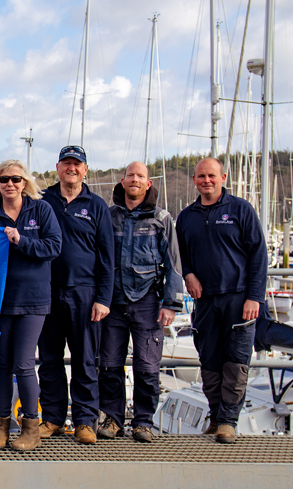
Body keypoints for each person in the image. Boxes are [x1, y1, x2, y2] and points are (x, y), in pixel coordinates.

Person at [176, 157, 266, 444]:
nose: (207, 181)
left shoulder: (241, 210)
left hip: (239, 299)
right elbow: (181, 256)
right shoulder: (187, 216)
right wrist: (188, 274)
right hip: (205, 301)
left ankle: (228, 421)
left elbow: (258, 256)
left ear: (223, 177)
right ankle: (215, 417)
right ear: (194, 180)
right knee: (209, 363)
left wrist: (254, 297)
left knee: (235, 363)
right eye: (201, 176)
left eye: (212, 176)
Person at [0, 160, 61, 452]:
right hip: (1, 302)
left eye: (16, 179)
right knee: (1, 366)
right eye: (4, 179)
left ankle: (31, 428)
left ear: (25, 182)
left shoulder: (41, 210)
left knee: (24, 364)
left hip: (33, 300)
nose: (10, 184)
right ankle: (1, 426)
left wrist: (21, 240)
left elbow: (54, 246)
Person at [97, 161, 182, 443]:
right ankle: (112, 418)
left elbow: (174, 265)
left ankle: (143, 422)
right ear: (123, 182)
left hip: (148, 302)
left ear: (148, 183)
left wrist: (171, 303)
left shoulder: (161, 219)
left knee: (147, 367)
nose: (135, 179)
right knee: (109, 364)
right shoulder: (108, 217)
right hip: (113, 303)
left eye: (140, 176)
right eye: (130, 175)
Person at [38, 145, 115, 445]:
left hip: (85, 294)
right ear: (57, 168)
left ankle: (85, 421)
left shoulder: (96, 206)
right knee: (50, 360)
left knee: (85, 360)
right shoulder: (41, 201)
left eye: (77, 164)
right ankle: (53, 419)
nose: (71, 168)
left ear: (85, 169)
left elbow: (107, 258)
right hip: (46, 291)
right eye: (66, 163)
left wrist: (104, 299)